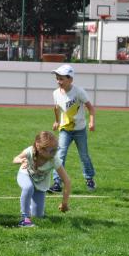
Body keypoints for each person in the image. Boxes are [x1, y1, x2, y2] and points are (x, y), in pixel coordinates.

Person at [49, 64, 97, 193]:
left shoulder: (79, 92)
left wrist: (92, 122)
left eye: (62, 79)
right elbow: (56, 108)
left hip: (80, 130)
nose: (59, 81)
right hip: (65, 130)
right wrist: (57, 121)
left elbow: (91, 108)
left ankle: (89, 178)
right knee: (60, 155)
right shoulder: (55, 93)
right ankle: (57, 183)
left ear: (70, 79)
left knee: (84, 155)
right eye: (57, 78)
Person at [13, 131, 71, 227]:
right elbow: (15, 159)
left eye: (56, 150)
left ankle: (31, 208)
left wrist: (64, 203)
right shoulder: (30, 151)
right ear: (39, 147)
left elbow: (67, 181)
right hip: (25, 175)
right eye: (51, 151)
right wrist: (21, 160)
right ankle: (25, 218)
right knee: (28, 188)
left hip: (40, 184)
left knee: (38, 215)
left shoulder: (54, 159)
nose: (55, 153)